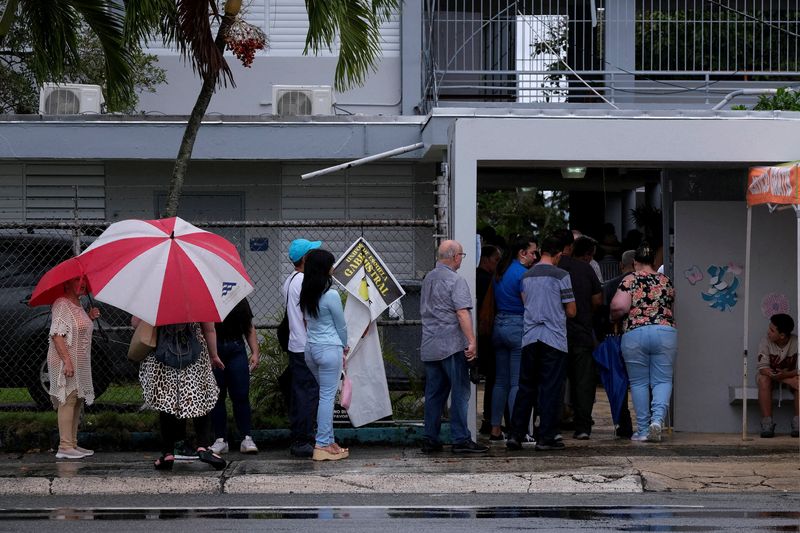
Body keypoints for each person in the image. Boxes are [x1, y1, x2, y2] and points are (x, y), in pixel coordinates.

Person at [506, 235, 576, 451]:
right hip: (553, 338)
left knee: (526, 386)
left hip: (530, 337)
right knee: (550, 387)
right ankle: (546, 436)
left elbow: (526, 302)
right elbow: (571, 310)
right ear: (557, 255)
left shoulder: (527, 276)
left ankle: (515, 434)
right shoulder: (562, 275)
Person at [420, 240, 488, 454]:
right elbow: (462, 313)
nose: (461, 259)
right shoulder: (456, 281)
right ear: (454, 256)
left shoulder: (428, 279)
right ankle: (460, 439)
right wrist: (472, 341)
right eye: (462, 255)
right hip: (451, 344)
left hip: (430, 344)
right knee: (460, 392)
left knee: (434, 395)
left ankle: (430, 438)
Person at [137, 319, 226, 470]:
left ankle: (168, 453)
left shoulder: (155, 296)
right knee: (200, 398)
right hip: (195, 355)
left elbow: (135, 323)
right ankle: (203, 447)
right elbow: (209, 330)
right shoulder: (199, 298)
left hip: (163, 355)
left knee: (166, 401)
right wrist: (214, 355)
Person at [610, 242, 676, 443]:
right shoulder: (665, 280)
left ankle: (643, 430)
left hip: (635, 333)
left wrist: (613, 316)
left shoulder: (630, 280)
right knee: (662, 380)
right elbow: (671, 303)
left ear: (635, 262)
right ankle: (657, 421)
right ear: (653, 262)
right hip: (665, 332)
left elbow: (618, 306)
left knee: (639, 382)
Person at [299, 248, 350, 461]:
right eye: (331, 264)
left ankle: (328, 440)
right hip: (330, 349)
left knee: (324, 395)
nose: (334, 267)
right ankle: (322, 444)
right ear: (324, 268)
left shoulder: (306, 292)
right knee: (327, 398)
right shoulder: (331, 295)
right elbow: (341, 325)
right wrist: (345, 345)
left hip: (310, 349)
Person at [489, 236, 537, 443]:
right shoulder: (523, 274)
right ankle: (517, 430)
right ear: (522, 253)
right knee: (517, 382)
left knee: (500, 382)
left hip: (499, 326)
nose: (535, 256)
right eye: (533, 252)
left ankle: (495, 429)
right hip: (518, 325)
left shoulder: (500, 271)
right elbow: (529, 304)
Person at [48, 276, 100, 459]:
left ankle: (73, 444)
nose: (82, 283)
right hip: (65, 361)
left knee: (77, 400)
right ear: (67, 283)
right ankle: (64, 446)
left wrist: (90, 317)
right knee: (67, 400)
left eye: (84, 280)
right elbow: (57, 335)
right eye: (78, 280)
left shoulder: (78, 305)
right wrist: (67, 362)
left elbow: (78, 333)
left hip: (80, 363)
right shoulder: (62, 304)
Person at [559, 234, 602, 440]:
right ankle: (583, 426)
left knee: (555, 380)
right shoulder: (586, 269)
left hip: (555, 334)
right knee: (583, 381)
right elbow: (598, 300)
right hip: (582, 332)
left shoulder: (553, 270)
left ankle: (553, 424)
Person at [283, 238, 322, 458]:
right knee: (308, 393)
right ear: (306, 258)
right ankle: (304, 439)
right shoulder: (303, 282)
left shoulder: (289, 281)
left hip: (295, 343)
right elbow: (309, 316)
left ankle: (300, 435)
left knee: (300, 392)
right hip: (305, 344)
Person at [209, 298, 261, 454]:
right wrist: (210, 353)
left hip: (235, 347)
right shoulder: (207, 297)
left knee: (240, 393)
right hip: (214, 349)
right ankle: (220, 439)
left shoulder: (238, 297)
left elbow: (248, 326)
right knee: (217, 395)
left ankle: (246, 437)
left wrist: (255, 352)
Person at [756, 313, 799, 438]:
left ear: (782, 335)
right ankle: (767, 424)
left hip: (791, 376)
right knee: (763, 379)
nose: (768, 332)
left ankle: (798, 423)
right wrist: (786, 379)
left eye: (772, 330)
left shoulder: (797, 342)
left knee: (799, 381)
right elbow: (763, 369)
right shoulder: (765, 341)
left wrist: (788, 376)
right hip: (771, 378)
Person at [476, 244, 501, 434]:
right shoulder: (489, 281)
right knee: (495, 377)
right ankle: (491, 419)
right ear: (485, 259)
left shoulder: (474, 277)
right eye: (495, 260)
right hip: (487, 332)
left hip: (480, 332)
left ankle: (488, 419)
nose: (497, 264)